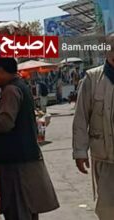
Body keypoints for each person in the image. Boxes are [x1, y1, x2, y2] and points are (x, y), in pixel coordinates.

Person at [0, 53, 59, 220]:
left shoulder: (11, 90)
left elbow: (5, 124)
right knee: (28, 209)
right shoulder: (20, 86)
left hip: (17, 164)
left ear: (1, 70)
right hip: (24, 159)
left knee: (19, 210)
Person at [72, 35, 114, 220]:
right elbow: (81, 118)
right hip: (105, 157)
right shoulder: (92, 78)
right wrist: (80, 151)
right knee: (107, 209)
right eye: (112, 49)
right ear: (105, 51)